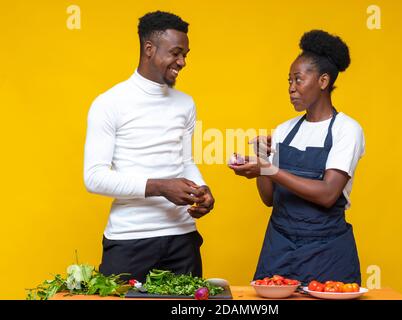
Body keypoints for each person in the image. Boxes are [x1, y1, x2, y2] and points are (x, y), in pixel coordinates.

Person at [83, 11, 214, 282]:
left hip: (182, 238)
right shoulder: (109, 103)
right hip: (129, 239)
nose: (183, 61)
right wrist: (161, 187)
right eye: (176, 53)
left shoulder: (186, 103)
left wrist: (202, 189)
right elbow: (94, 177)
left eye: (186, 54)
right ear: (149, 49)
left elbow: (186, 161)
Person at [229, 30, 365, 285]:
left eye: (298, 80)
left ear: (323, 81)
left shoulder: (347, 130)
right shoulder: (285, 130)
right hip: (279, 248)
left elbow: (327, 194)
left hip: (327, 252)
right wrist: (261, 158)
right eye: (289, 81)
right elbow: (269, 198)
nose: (291, 88)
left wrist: (269, 169)